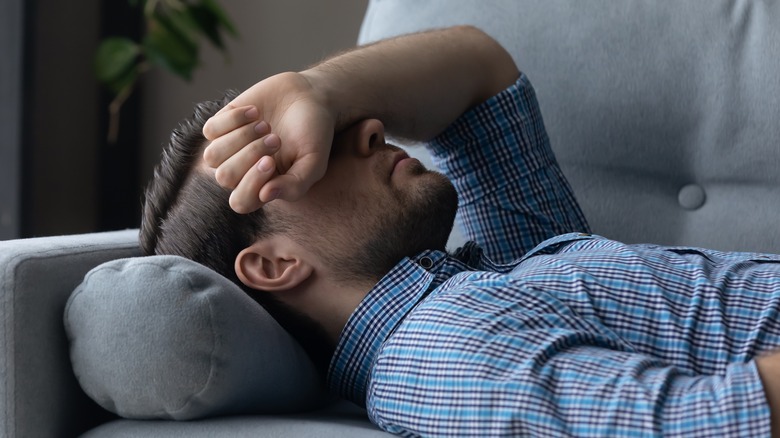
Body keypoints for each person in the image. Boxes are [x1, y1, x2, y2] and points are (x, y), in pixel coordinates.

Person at [140, 26, 780, 436]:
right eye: (307, 155)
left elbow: (481, 73)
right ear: (274, 265)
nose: (368, 128)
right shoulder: (445, 354)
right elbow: (713, 423)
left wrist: (316, 88)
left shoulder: (499, 271)